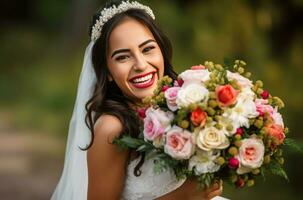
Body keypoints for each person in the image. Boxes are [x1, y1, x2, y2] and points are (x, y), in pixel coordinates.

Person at [51, 1, 226, 199]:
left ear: (161, 50)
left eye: (147, 49)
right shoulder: (112, 129)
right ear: (107, 71)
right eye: (123, 57)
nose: (141, 65)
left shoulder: (182, 107)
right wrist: (181, 196)